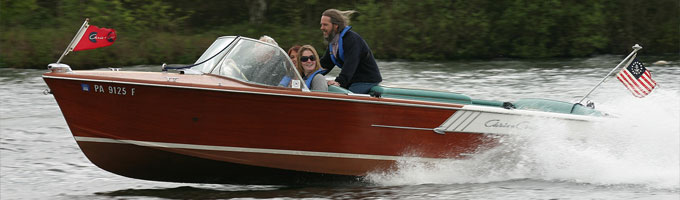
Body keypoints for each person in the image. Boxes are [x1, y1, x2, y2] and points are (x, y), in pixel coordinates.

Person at [319, 9, 382, 94]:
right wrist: (306, 76)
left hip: (366, 80)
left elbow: (350, 64)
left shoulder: (351, 40)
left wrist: (339, 82)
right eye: (321, 25)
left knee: (340, 95)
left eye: (325, 25)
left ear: (336, 25)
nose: (322, 28)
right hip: (352, 80)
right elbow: (325, 65)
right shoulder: (333, 43)